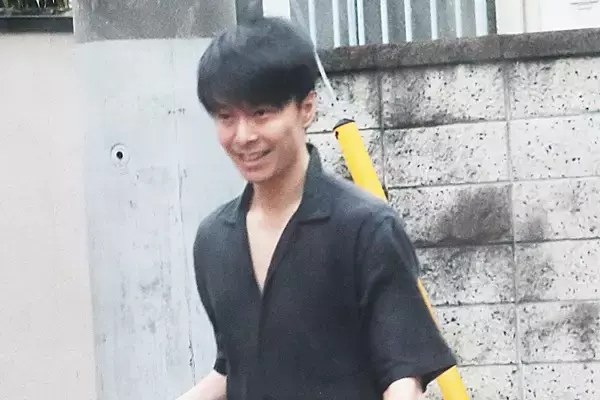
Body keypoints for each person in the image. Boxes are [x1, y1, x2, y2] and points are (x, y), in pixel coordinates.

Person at [178, 16, 456, 400]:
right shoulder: (214, 239)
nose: (243, 136)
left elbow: (402, 377)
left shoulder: (366, 227)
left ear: (306, 108)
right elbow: (235, 367)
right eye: (226, 117)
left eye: (261, 113)